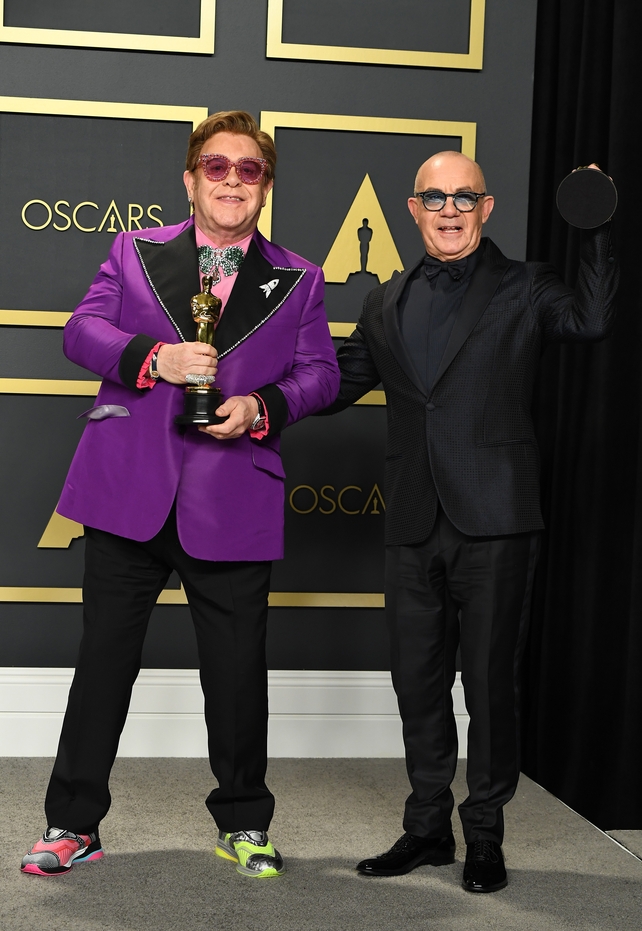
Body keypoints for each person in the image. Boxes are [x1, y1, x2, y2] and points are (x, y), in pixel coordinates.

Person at [21, 111, 340, 879]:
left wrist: (262, 407)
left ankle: (244, 823)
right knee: (103, 663)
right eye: (218, 167)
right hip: (129, 491)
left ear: (264, 187)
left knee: (236, 674)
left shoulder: (298, 278)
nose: (233, 180)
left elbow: (321, 374)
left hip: (233, 496)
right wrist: (152, 357)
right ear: (191, 178)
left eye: (250, 170)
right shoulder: (134, 250)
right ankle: (72, 823)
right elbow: (81, 330)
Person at [322, 152, 618, 892]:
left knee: (487, 685)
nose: (448, 209)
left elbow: (591, 320)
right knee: (415, 683)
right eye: (434, 196)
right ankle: (426, 829)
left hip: (496, 520)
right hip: (413, 520)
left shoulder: (525, 286)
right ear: (412, 208)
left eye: (463, 197)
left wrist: (594, 229)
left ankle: (485, 834)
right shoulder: (383, 300)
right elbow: (337, 382)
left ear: (485, 209)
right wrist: (254, 394)